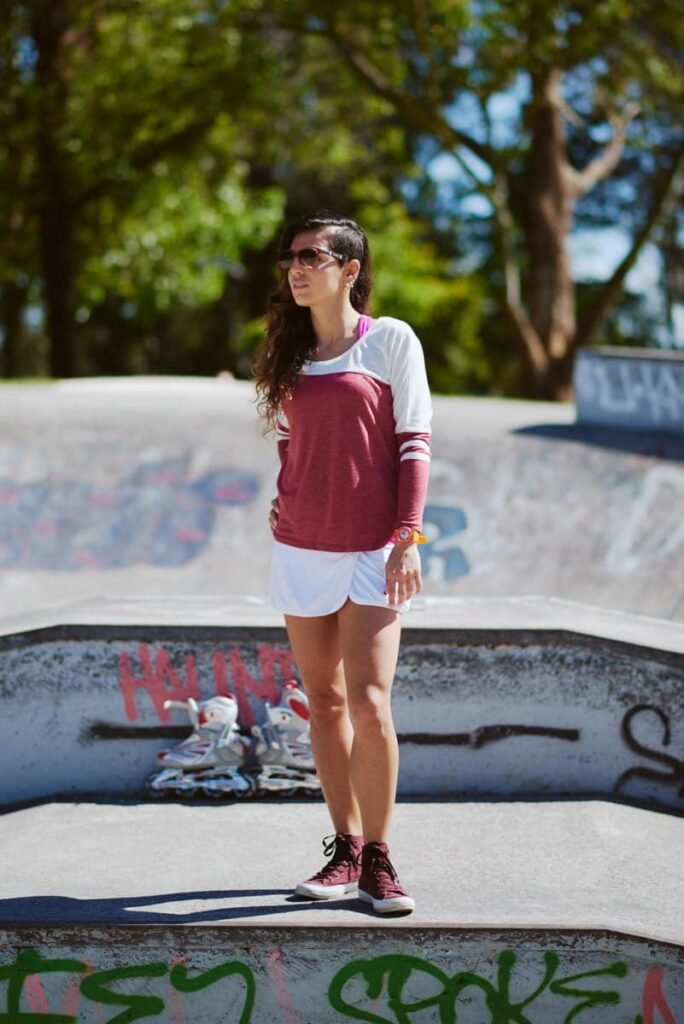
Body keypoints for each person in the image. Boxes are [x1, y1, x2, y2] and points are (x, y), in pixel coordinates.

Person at [252, 211, 432, 915]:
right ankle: (345, 849)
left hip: (374, 549)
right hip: (301, 547)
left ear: (350, 270)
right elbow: (291, 443)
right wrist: (285, 496)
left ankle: (380, 860)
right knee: (324, 705)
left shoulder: (389, 340)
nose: (295, 269)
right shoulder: (289, 354)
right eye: (290, 258)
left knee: (370, 701)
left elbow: (414, 442)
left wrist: (407, 536)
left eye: (311, 257)